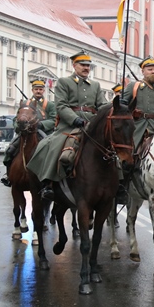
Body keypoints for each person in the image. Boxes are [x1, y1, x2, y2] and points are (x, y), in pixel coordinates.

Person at [26, 50, 107, 200]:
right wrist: (74, 119)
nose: (86, 68)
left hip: (92, 124)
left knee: (111, 149)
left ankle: (118, 185)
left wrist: (114, 106)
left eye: (88, 65)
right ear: (74, 65)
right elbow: (61, 105)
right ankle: (48, 183)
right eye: (82, 65)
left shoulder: (95, 85)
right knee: (53, 146)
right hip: (69, 125)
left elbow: (102, 105)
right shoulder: (64, 82)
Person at [1, 79, 57, 186]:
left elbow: (54, 119)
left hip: (43, 132)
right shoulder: (25, 103)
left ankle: (51, 180)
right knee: (10, 150)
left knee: (52, 152)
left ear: (43, 90)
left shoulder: (49, 105)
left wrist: (41, 124)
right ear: (32, 90)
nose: (38, 91)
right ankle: (8, 175)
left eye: (40, 89)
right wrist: (18, 127)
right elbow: (16, 118)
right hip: (26, 133)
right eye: (36, 89)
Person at [121, 55, 154, 147]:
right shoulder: (133, 86)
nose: (153, 71)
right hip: (138, 127)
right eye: (150, 69)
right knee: (130, 150)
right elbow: (122, 105)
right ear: (143, 71)